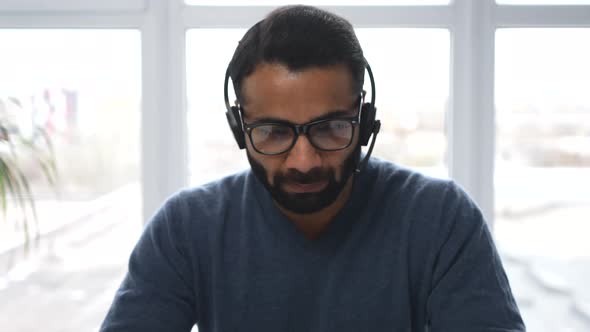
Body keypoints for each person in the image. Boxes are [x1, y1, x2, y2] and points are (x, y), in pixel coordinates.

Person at [100, 5, 525, 332]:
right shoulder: (186, 227)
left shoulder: (441, 218)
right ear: (238, 128)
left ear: (365, 121)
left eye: (330, 128)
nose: (304, 161)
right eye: (272, 132)